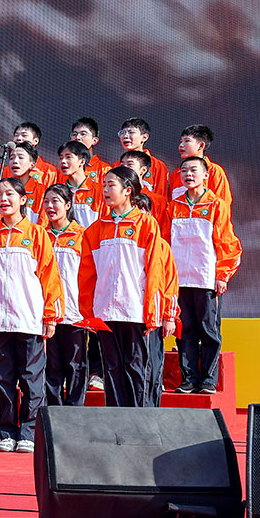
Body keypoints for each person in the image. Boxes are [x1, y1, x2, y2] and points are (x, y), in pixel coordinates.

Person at [0, 178, 63, 454]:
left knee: (31, 379)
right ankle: (7, 432)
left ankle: (29, 433)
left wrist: (50, 315)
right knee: (3, 379)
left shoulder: (36, 234)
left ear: (23, 200)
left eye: (9, 194)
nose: (3, 199)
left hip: (29, 319)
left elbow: (50, 277)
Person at [79, 166, 178, 407]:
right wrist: (89, 312)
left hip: (135, 311)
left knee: (136, 369)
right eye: (104, 185)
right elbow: (86, 276)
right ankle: (118, 422)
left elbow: (155, 272)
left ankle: (139, 422)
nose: (105, 190)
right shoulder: (94, 230)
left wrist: (156, 313)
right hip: (105, 312)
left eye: (111, 185)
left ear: (128, 190)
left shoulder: (146, 224)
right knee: (112, 369)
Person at [164, 157, 241, 394]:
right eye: (184, 170)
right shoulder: (173, 206)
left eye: (194, 170)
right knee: (185, 330)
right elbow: (165, 244)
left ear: (206, 175)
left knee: (208, 330)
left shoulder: (216, 205)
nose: (188, 174)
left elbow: (228, 244)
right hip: (180, 281)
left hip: (206, 279)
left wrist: (222, 275)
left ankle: (208, 379)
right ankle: (189, 379)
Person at [42, 185, 90, 406]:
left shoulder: (82, 236)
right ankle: (54, 412)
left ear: (68, 205)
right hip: (46, 313)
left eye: (55, 201)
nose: (50, 206)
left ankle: (75, 412)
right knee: (51, 365)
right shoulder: (40, 235)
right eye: (46, 201)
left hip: (74, 312)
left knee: (75, 364)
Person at [168, 124, 233, 207]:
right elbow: (171, 205)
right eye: (181, 142)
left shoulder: (214, 171)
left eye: (187, 141)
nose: (181, 145)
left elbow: (222, 205)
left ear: (201, 146)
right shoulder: (176, 174)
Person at [57, 141, 105, 228]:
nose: (63, 161)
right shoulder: (59, 192)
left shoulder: (100, 191)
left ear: (82, 161)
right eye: (61, 158)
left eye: (68, 157)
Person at [117, 118, 168, 194]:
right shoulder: (117, 165)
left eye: (131, 132)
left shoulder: (158, 165)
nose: (125, 136)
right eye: (122, 133)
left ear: (144, 137)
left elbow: (160, 196)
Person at [7, 143, 47, 223]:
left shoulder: (42, 192)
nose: (15, 161)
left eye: (21, 157)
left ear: (32, 165)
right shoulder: (3, 189)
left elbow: (44, 222)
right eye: (11, 158)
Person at [11, 122, 60, 187]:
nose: (19, 138)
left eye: (24, 135)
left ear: (35, 141)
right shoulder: (6, 170)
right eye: (16, 135)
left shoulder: (49, 171)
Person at [69, 117, 110, 182]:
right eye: (74, 134)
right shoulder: (66, 168)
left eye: (83, 134)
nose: (77, 137)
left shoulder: (104, 169)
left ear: (94, 140)